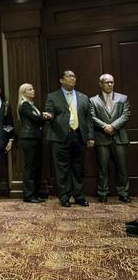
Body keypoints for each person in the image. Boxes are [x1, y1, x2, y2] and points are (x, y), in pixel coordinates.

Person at [44, 70, 94, 207]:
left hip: (79, 136)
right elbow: (50, 113)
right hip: (60, 136)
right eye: (69, 76)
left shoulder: (83, 97)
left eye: (74, 76)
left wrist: (90, 136)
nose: (73, 79)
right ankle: (64, 196)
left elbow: (88, 118)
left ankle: (79, 196)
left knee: (79, 168)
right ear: (61, 80)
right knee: (62, 169)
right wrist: (49, 116)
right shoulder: (53, 96)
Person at [90, 74, 131, 203]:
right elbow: (91, 116)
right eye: (106, 82)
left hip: (119, 137)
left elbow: (126, 115)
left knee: (122, 168)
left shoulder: (123, 98)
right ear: (100, 84)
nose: (110, 84)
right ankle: (103, 193)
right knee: (103, 168)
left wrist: (113, 126)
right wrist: (104, 126)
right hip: (102, 138)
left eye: (112, 82)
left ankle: (124, 193)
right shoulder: (93, 100)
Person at [17, 83, 52, 203]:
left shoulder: (31, 105)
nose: (33, 91)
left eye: (33, 88)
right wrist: (46, 116)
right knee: (30, 167)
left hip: (34, 137)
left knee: (35, 167)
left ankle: (34, 194)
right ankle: (28, 195)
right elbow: (36, 119)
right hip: (28, 138)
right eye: (30, 89)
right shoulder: (24, 105)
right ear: (24, 92)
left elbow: (39, 122)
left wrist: (43, 117)